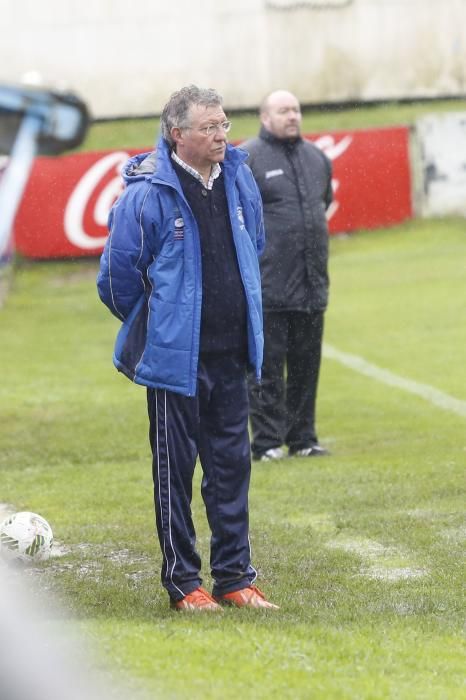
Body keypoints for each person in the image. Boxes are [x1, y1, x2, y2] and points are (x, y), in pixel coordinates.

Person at [97, 86, 278, 612]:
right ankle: (183, 583)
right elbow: (116, 279)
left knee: (231, 469)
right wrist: (163, 328)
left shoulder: (239, 177)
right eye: (209, 128)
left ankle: (235, 578)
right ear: (178, 134)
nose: (221, 135)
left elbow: (255, 244)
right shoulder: (144, 194)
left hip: (231, 353)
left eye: (223, 124)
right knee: (174, 473)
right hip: (175, 361)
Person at [241, 90, 333, 462]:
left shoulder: (317, 159)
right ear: (265, 117)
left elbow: (321, 204)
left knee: (306, 367)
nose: (292, 116)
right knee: (265, 369)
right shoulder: (248, 159)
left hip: (312, 284)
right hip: (269, 285)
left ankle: (303, 438)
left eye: (295, 109)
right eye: (283, 110)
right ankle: (266, 443)